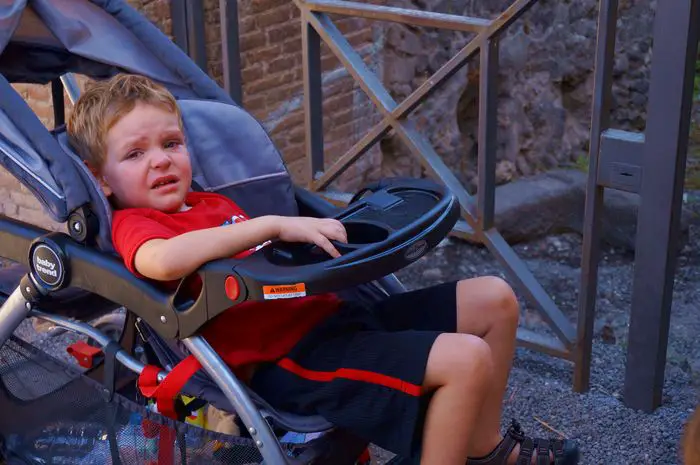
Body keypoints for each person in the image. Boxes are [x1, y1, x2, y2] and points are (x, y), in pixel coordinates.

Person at [66, 73, 580, 465]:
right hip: (289, 361)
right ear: (101, 179)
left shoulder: (210, 202)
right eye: (135, 153)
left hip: (334, 319)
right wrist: (267, 225)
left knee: (495, 298)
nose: (160, 160)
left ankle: (483, 450)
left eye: (171, 144)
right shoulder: (136, 224)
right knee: (465, 359)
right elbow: (160, 261)